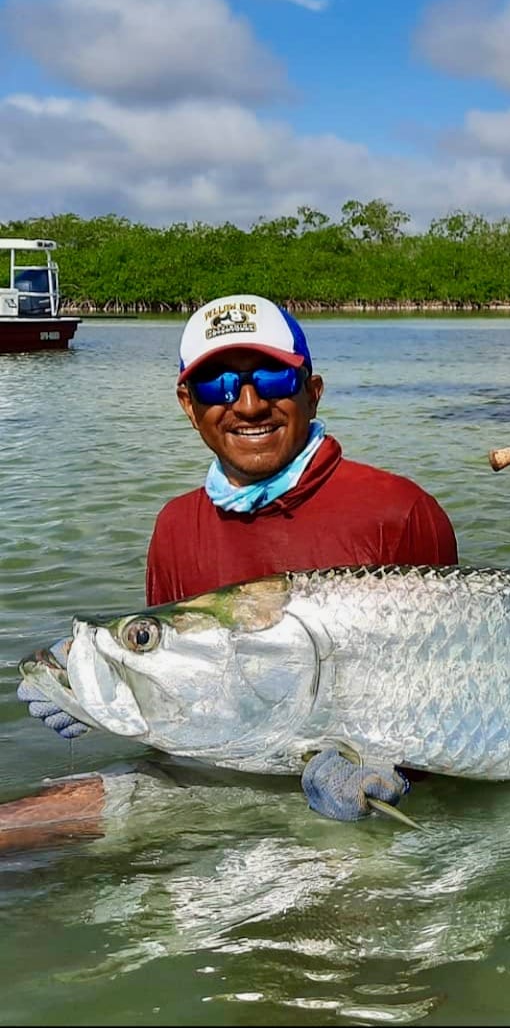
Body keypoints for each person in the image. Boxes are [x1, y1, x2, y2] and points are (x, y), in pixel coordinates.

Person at [13, 294, 458, 834]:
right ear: (187, 403)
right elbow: (188, 698)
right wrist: (94, 689)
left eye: (271, 379)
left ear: (312, 394)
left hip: (363, 806)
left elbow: (457, 708)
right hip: (221, 776)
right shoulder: (176, 528)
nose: (247, 405)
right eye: (217, 385)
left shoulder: (398, 511)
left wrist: (391, 770)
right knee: (22, 831)